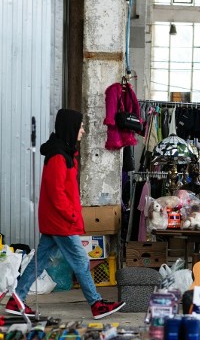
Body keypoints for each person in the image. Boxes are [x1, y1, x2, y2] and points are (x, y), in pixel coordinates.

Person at [6, 109, 125, 319]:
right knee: (80, 260)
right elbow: (56, 193)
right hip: (61, 222)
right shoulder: (58, 157)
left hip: (57, 222)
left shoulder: (65, 154)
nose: (83, 131)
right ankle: (96, 304)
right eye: (80, 127)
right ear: (70, 128)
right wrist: (71, 215)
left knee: (39, 262)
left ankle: (16, 301)